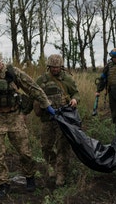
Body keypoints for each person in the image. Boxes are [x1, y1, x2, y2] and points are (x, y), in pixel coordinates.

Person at [0, 50, 55, 198]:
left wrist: (46, 104)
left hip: (15, 116)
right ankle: (2, 184)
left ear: (2, 62)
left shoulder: (13, 73)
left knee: (25, 151)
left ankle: (30, 177)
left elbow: (32, 87)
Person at [35, 54, 79, 187]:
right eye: (53, 67)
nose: (55, 69)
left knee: (62, 146)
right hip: (47, 118)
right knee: (46, 146)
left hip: (63, 118)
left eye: (57, 67)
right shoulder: (41, 80)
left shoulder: (67, 79)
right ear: (49, 66)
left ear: (61, 66)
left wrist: (75, 99)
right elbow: (34, 95)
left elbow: (76, 93)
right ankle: (53, 165)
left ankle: (61, 173)